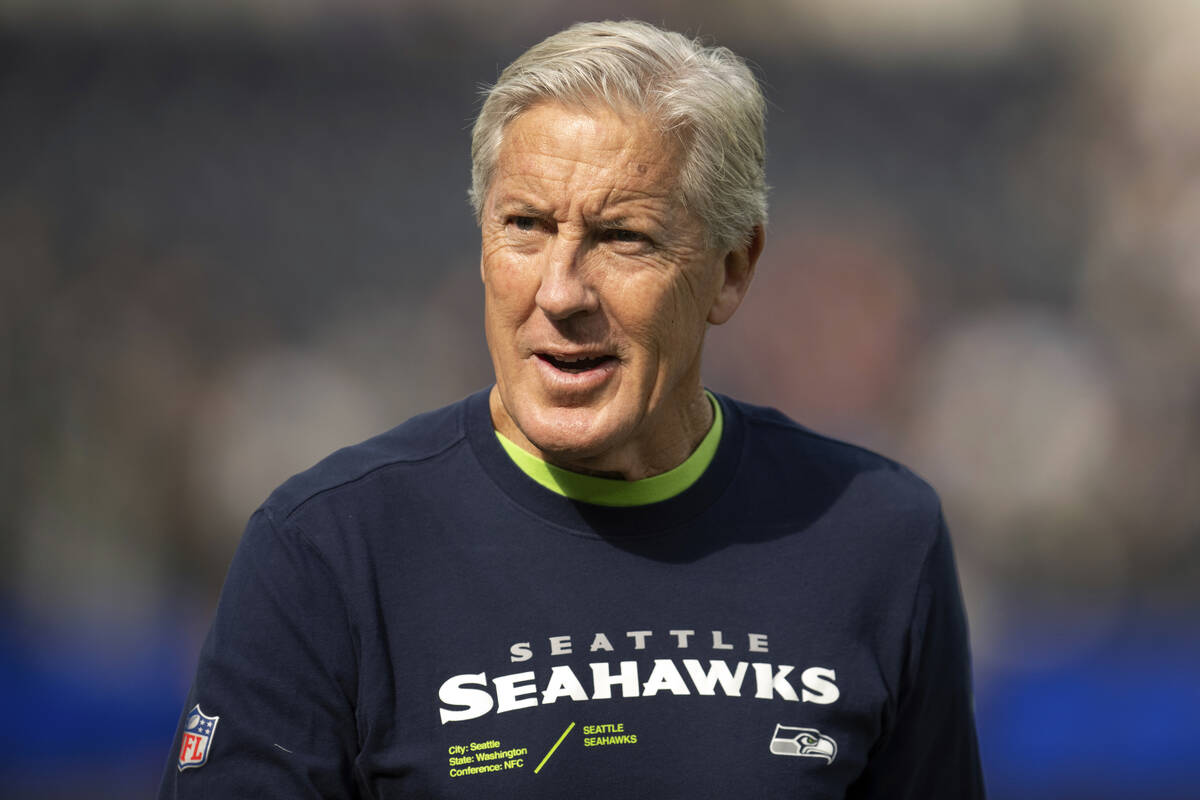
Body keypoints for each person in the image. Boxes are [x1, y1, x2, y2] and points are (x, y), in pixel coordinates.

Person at [160, 20, 985, 799]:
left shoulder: (877, 535)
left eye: (623, 236)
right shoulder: (327, 548)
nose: (560, 293)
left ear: (732, 269)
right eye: (524, 225)